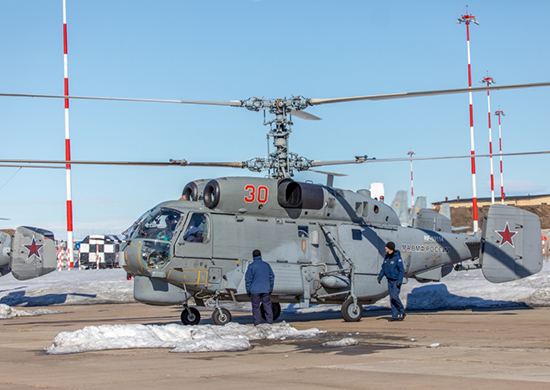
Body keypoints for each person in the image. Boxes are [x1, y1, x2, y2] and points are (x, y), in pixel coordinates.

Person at [245, 249, 275, 326]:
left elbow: (248, 279)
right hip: (265, 290)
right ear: (260, 256)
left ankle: (257, 324)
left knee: (256, 307)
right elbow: (272, 276)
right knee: (267, 306)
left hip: (255, 291)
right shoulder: (266, 265)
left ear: (253, 256)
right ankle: (270, 322)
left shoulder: (251, 266)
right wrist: (270, 288)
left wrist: (248, 290)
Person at [377, 241, 406, 322]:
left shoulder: (397, 258)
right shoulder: (387, 257)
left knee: (394, 297)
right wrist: (380, 277)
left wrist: (400, 281)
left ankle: (402, 311)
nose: (385, 248)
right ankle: (394, 316)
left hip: (396, 280)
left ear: (390, 248)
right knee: (391, 298)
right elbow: (383, 268)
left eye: (386, 247)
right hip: (389, 280)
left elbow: (401, 270)